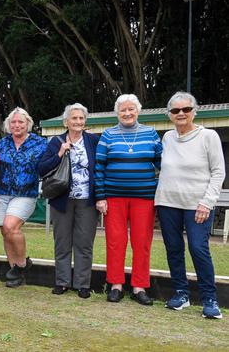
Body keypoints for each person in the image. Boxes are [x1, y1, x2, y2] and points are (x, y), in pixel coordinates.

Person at [155, 92, 225, 319]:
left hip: (198, 204)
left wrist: (207, 202)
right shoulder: (167, 138)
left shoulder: (209, 136)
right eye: (175, 111)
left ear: (195, 111)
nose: (181, 114)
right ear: (170, 115)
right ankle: (180, 294)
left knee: (198, 248)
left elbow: (218, 172)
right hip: (167, 203)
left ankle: (209, 299)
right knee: (174, 249)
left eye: (185, 109)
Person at [94, 94, 162, 305]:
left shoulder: (150, 133)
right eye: (123, 110)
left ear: (138, 111)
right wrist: (101, 197)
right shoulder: (108, 135)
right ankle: (115, 284)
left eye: (131, 109)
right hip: (114, 197)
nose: (127, 113)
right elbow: (99, 168)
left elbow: (164, 165)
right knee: (116, 241)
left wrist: (160, 192)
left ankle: (139, 286)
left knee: (142, 242)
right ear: (117, 113)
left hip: (144, 198)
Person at [38, 103, 99, 298]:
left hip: (87, 201)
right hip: (62, 200)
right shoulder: (56, 142)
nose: (78, 122)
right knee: (62, 242)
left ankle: (83, 284)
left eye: (81, 118)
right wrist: (60, 152)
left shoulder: (93, 141)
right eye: (74, 118)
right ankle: (62, 282)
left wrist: (101, 196)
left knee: (84, 243)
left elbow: (100, 169)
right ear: (66, 122)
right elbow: (41, 168)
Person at [0, 107, 47, 288]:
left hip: (25, 194)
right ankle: (15, 273)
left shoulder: (40, 143)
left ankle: (22, 265)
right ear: (9, 125)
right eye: (13, 122)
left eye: (21, 122)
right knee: (5, 232)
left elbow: (50, 163)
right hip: (2, 192)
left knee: (11, 226)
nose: (17, 125)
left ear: (28, 124)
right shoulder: (1, 143)